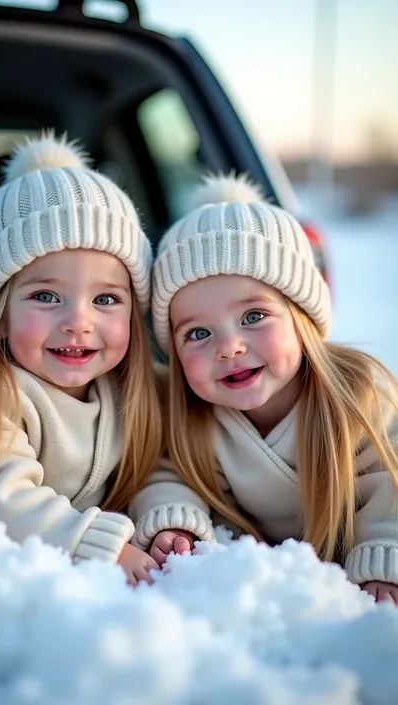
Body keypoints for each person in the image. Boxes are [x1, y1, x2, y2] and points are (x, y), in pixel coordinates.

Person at [130, 174, 398, 604]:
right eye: (198, 333)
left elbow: (391, 481)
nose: (229, 347)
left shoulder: (358, 394)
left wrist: (385, 558)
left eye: (253, 317)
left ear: (302, 317)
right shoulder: (192, 416)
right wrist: (174, 520)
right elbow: (168, 473)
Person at [0, 131, 162, 585]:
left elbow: (162, 469)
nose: (78, 321)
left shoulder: (135, 390)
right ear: (1, 308)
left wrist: (166, 518)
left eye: (106, 300)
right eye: (47, 295)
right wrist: (96, 545)